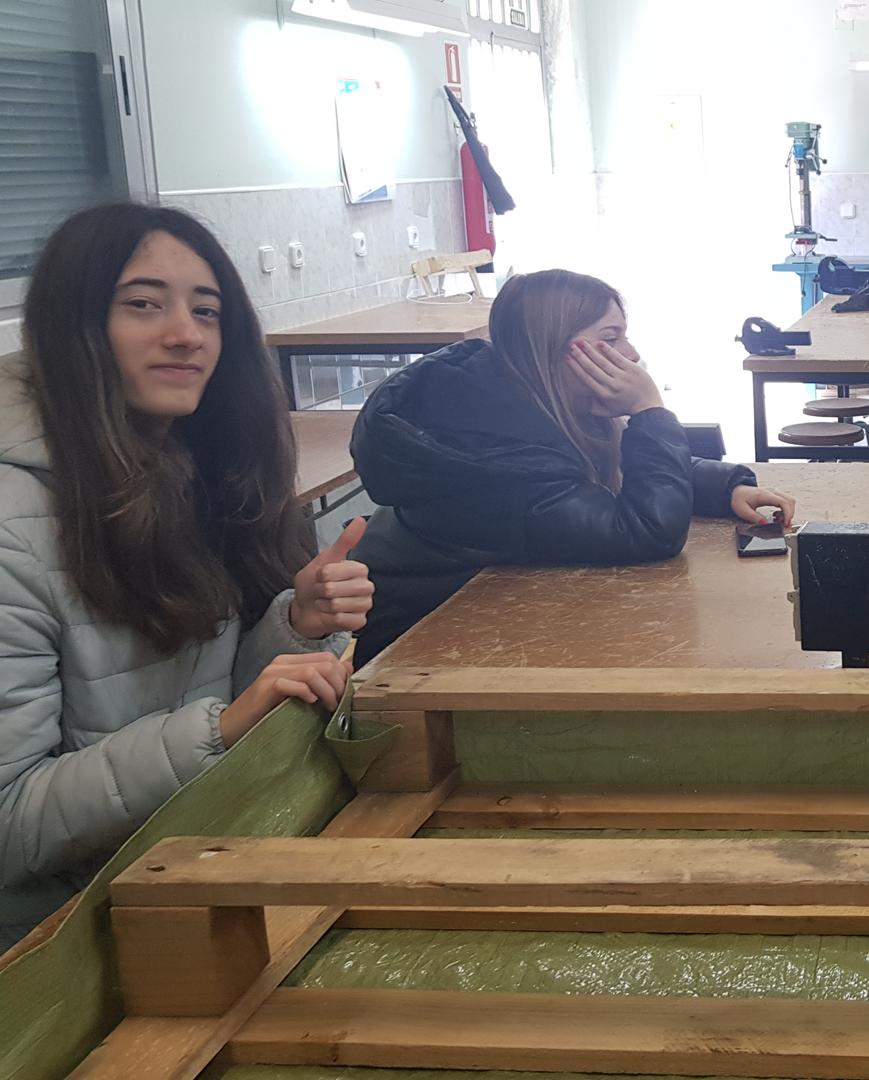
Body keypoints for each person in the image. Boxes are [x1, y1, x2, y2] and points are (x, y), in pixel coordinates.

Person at [0, 204, 366, 945]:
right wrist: (220, 730)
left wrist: (294, 629)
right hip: (59, 940)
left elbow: (209, 696)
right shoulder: (15, 525)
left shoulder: (190, 465)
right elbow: (11, 825)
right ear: (72, 327)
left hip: (185, 873)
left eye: (206, 311)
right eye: (143, 304)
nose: (185, 334)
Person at [349, 269, 795, 662]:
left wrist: (724, 487)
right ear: (552, 350)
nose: (631, 353)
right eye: (611, 338)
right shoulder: (500, 463)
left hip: (494, 628)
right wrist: (650, 410)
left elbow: (619, 466)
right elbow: (645, 532)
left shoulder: (518, 397)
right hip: (420, 662)